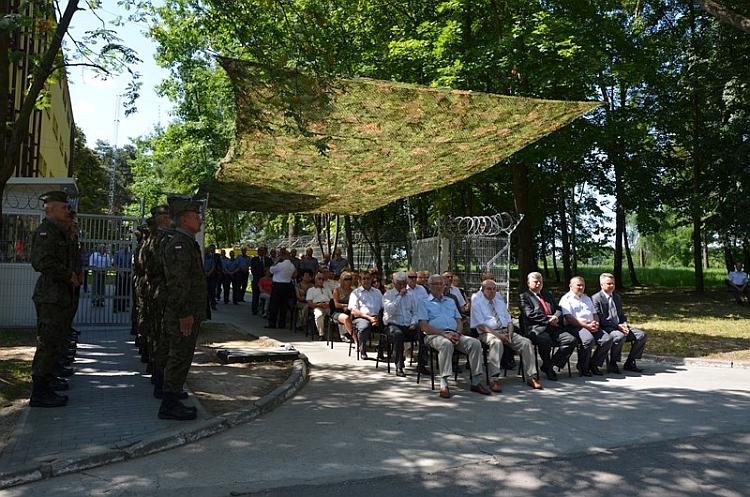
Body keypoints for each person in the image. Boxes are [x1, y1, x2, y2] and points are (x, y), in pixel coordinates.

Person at [158, 196, 207, 420]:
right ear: (185, 219)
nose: (200, 220)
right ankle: (169, 406)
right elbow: (178, 283)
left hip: (187, 311)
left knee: (182, 355)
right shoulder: (179, 244)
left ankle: (173, 397)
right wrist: (185, 313)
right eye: (196, 216)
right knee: (179, 356)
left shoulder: (186, 242)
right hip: (183, 313)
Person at [29, 191, 76, 407]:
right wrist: (67, 274)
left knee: (55, 342)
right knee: (47, 343)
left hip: (59, 295)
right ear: (51, 208)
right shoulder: (45, 232)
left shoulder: (59, 232)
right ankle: (39, 392)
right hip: (50, 295)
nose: (67, 211)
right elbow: (41, 262)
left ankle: (48, 383)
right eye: (63, 207)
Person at [418, 274, 490, 398]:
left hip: (454, 334)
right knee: (446, 344)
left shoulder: (450, 301)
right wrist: (443, 334)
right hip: (434, 335)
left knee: (475, 343)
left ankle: (476, 382)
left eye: (441, 284)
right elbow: (424, 326)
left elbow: (458, 321)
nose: (439, 287)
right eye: (436, 284)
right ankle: (444, 384)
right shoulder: (423, 302)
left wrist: (458, 333)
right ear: (429, 286)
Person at [471, 279, 542, 391]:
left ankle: (531, 377)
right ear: (483, 290)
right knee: (496, 343)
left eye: (494, 289)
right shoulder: (477, 303)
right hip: (488, 333)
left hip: (506, 331)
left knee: (526, 343)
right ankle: (494, 379)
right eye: (489, 289)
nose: (492, 291)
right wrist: (499, 336)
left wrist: (509, 333)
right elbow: (481, 326)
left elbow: (509, 321)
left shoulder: (499, 302)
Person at [518, 272, 577, 381]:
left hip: (553, 327)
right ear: (528, 283)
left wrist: (555, 317)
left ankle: (549, 365)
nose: (538, 284)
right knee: (545, 340)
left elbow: (558, 309)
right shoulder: (524, 297)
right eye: (535, 282)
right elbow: (530, 314)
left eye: (540, 282)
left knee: (571, 340)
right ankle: (548, 367)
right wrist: (548, 320)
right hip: (536, 329)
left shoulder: (547, 294)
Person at [592, 273, 648, 373]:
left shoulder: (616, 297)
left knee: (641, 335)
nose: (612, 286)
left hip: (620, 326)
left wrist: (624, 324)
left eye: (613, 283)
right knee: (619, 336)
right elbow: (601, 319)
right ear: (601, 285)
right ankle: (613, 362)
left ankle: (630, 361)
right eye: (609, 284)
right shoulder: (596, 298)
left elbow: (621, 315)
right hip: (607, 328)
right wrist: (618, 327)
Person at [559, 276, 613, 377]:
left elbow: (594, 313)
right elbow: (569, 318)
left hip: (590, 325)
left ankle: (594, 364)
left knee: (607, 339)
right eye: (578, 285)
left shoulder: (587, 298)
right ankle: (583, 367)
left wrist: (596, 323)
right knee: (588, 340)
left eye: (583, 285)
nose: (581, 287)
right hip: (575, 326)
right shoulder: (566, 299)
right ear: (570, 286)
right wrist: (586, 326)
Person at [382, 272, 420, 377]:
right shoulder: (388, 295)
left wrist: (413, 323)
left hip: (408, 325)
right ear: (394, 283)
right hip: (393, 324)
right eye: (399, 283)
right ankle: (399, 366)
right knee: (398, 335)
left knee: (423, 334)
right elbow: (390, 311)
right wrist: (399, 296)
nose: (402, 286)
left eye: (404, 283)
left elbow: (415, 312)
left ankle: (422, 364)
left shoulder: (411, 295)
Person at [348, 271, 383, 359]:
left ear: (371, 280)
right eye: (364, 279)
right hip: (361, 317)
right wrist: (369, 318)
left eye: (368, 278)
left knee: (388, 327)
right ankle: (363, 350)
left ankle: (381, 350)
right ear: (360, 280)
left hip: (376, 317)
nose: (366, 281)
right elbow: (353, 311)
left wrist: (378, 318)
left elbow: (383, 307)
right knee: (364, 326)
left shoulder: (377, 292)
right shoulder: (355, 293)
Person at [267, 248, 296, 328]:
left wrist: (276, 261)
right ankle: (281, 323)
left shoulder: (280, 265)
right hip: (287, 285)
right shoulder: (292, 266)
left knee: (274, 305)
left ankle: (272, 323)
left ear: (283, 256)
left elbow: (271, 270)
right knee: (283, 305)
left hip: (277, 285)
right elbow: (294, 275)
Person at [306, 272, 333, 338]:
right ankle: (321, 334)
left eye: (323, 279)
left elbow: (332, 300)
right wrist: (319, 305)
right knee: (319, 314)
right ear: (315, 279)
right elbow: (309, 303)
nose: (321, 281)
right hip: (317, 306)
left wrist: (329, 305)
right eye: (319, 279)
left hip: (328, 306)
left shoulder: (327, 289)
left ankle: (343, 335)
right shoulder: (311, 290)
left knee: (339, 314)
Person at [332, 271, 355, 343]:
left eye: (350, 279)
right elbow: (336, 304)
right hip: (337, 312)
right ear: (342, 280)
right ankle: (345, 335)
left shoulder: (353, 291)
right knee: (346, 318)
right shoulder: (337, 290)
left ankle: (353, 335)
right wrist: (345, 306)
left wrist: (348, 307)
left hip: (350, 311)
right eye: (346, 279)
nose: (348, 281)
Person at [250, 246, 273, 315]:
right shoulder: (254, 259)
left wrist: (266, 277)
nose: (262, 252)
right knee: (255, 296)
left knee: (266, 296)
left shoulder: (268, 260)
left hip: (266, 280)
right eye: (260, 251)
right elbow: (253, 270)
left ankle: (264, 310)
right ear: (258, 252)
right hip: (257, 280)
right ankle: (254, 309)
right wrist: (260, 278)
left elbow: (271, 269)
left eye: (263, 251)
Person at [113, 244, 132, 312]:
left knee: (126, 290)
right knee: (118, 290)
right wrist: (120, 272)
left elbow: (131, 264)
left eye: (127, 245)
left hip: (128, 273)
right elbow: (115, 264)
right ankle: (116, 307)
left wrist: (130, 273)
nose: (126, 247)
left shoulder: (130, 254)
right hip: (120, 273)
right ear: (122, 246)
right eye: (125, 245)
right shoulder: (117, 253)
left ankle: (123, 307)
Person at [203, 244, 219, 311]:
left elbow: (213, 266)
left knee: (212, 291)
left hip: (211, 276)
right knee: (204, 292)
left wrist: (209, 273)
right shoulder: (202, 257)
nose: (206, 251)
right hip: (204, 276)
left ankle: (213, 305)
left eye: (207, 250)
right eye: (205, 250)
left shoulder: (211, 258)